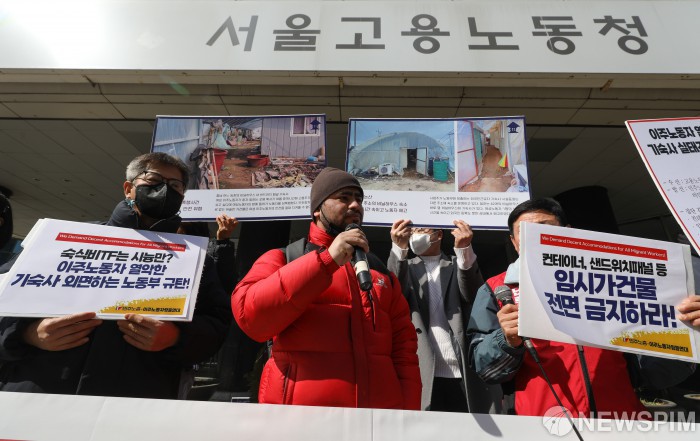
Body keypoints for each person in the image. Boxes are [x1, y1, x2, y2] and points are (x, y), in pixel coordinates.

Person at [0, 152, 231, 399]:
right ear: (129, 189)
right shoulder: (62, 240)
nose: (165, 190)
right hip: (37, 395)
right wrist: (26, 334)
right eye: (154, 180)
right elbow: (8, 292)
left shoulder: (194, 258)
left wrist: (176, 337)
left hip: (137, 400)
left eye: (175, 186)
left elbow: (216, 323)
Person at [467, 198, 696, 418]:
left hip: (621, 420)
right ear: (515, 242)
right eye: (525, 232)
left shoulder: (617, 282)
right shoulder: (496, 289)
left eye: (545, 228)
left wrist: (688, 332)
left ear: (568, 232)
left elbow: (653, 370)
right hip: (542, 425)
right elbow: (485, 369)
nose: (536, 236)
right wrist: (506, 341)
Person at [232, 167, 421, 409]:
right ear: (317, 209)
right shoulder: (283, 258)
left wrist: (408, 416)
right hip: (300, 419)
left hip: (375, 420)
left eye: (359, 199)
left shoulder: (381, 273)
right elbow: (251, 318)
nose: (355, 205)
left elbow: (404, 354)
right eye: (344, 197)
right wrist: (327, 260)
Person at [387, 219, 501, 413]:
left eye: (422, 229)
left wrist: (464, 250)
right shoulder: (406, 266)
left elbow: (473, 296)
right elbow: (393, 294)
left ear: (438, 234)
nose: (415, 234)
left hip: (462, 370)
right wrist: (399, 249)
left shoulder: (458, 263)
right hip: (422, 370)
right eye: (413, 230)